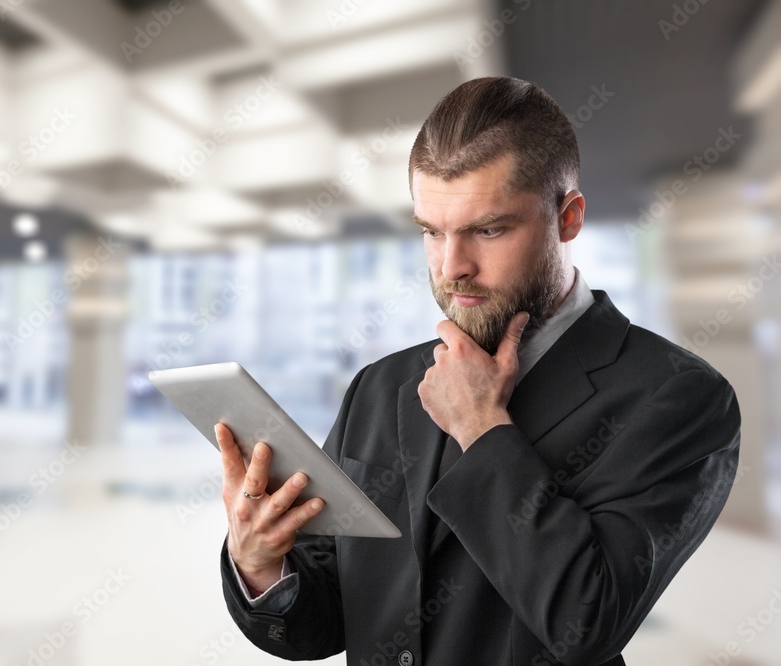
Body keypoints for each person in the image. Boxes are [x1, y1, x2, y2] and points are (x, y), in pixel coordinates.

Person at [215, 76, 741, 666]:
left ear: (568, 218)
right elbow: (325, 620)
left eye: (488, 230)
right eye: (431, 231)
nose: (451, 266)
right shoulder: (380, 385)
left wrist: (483, 429)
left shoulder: (679, 398)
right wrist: (261, 564)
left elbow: (586, 621)